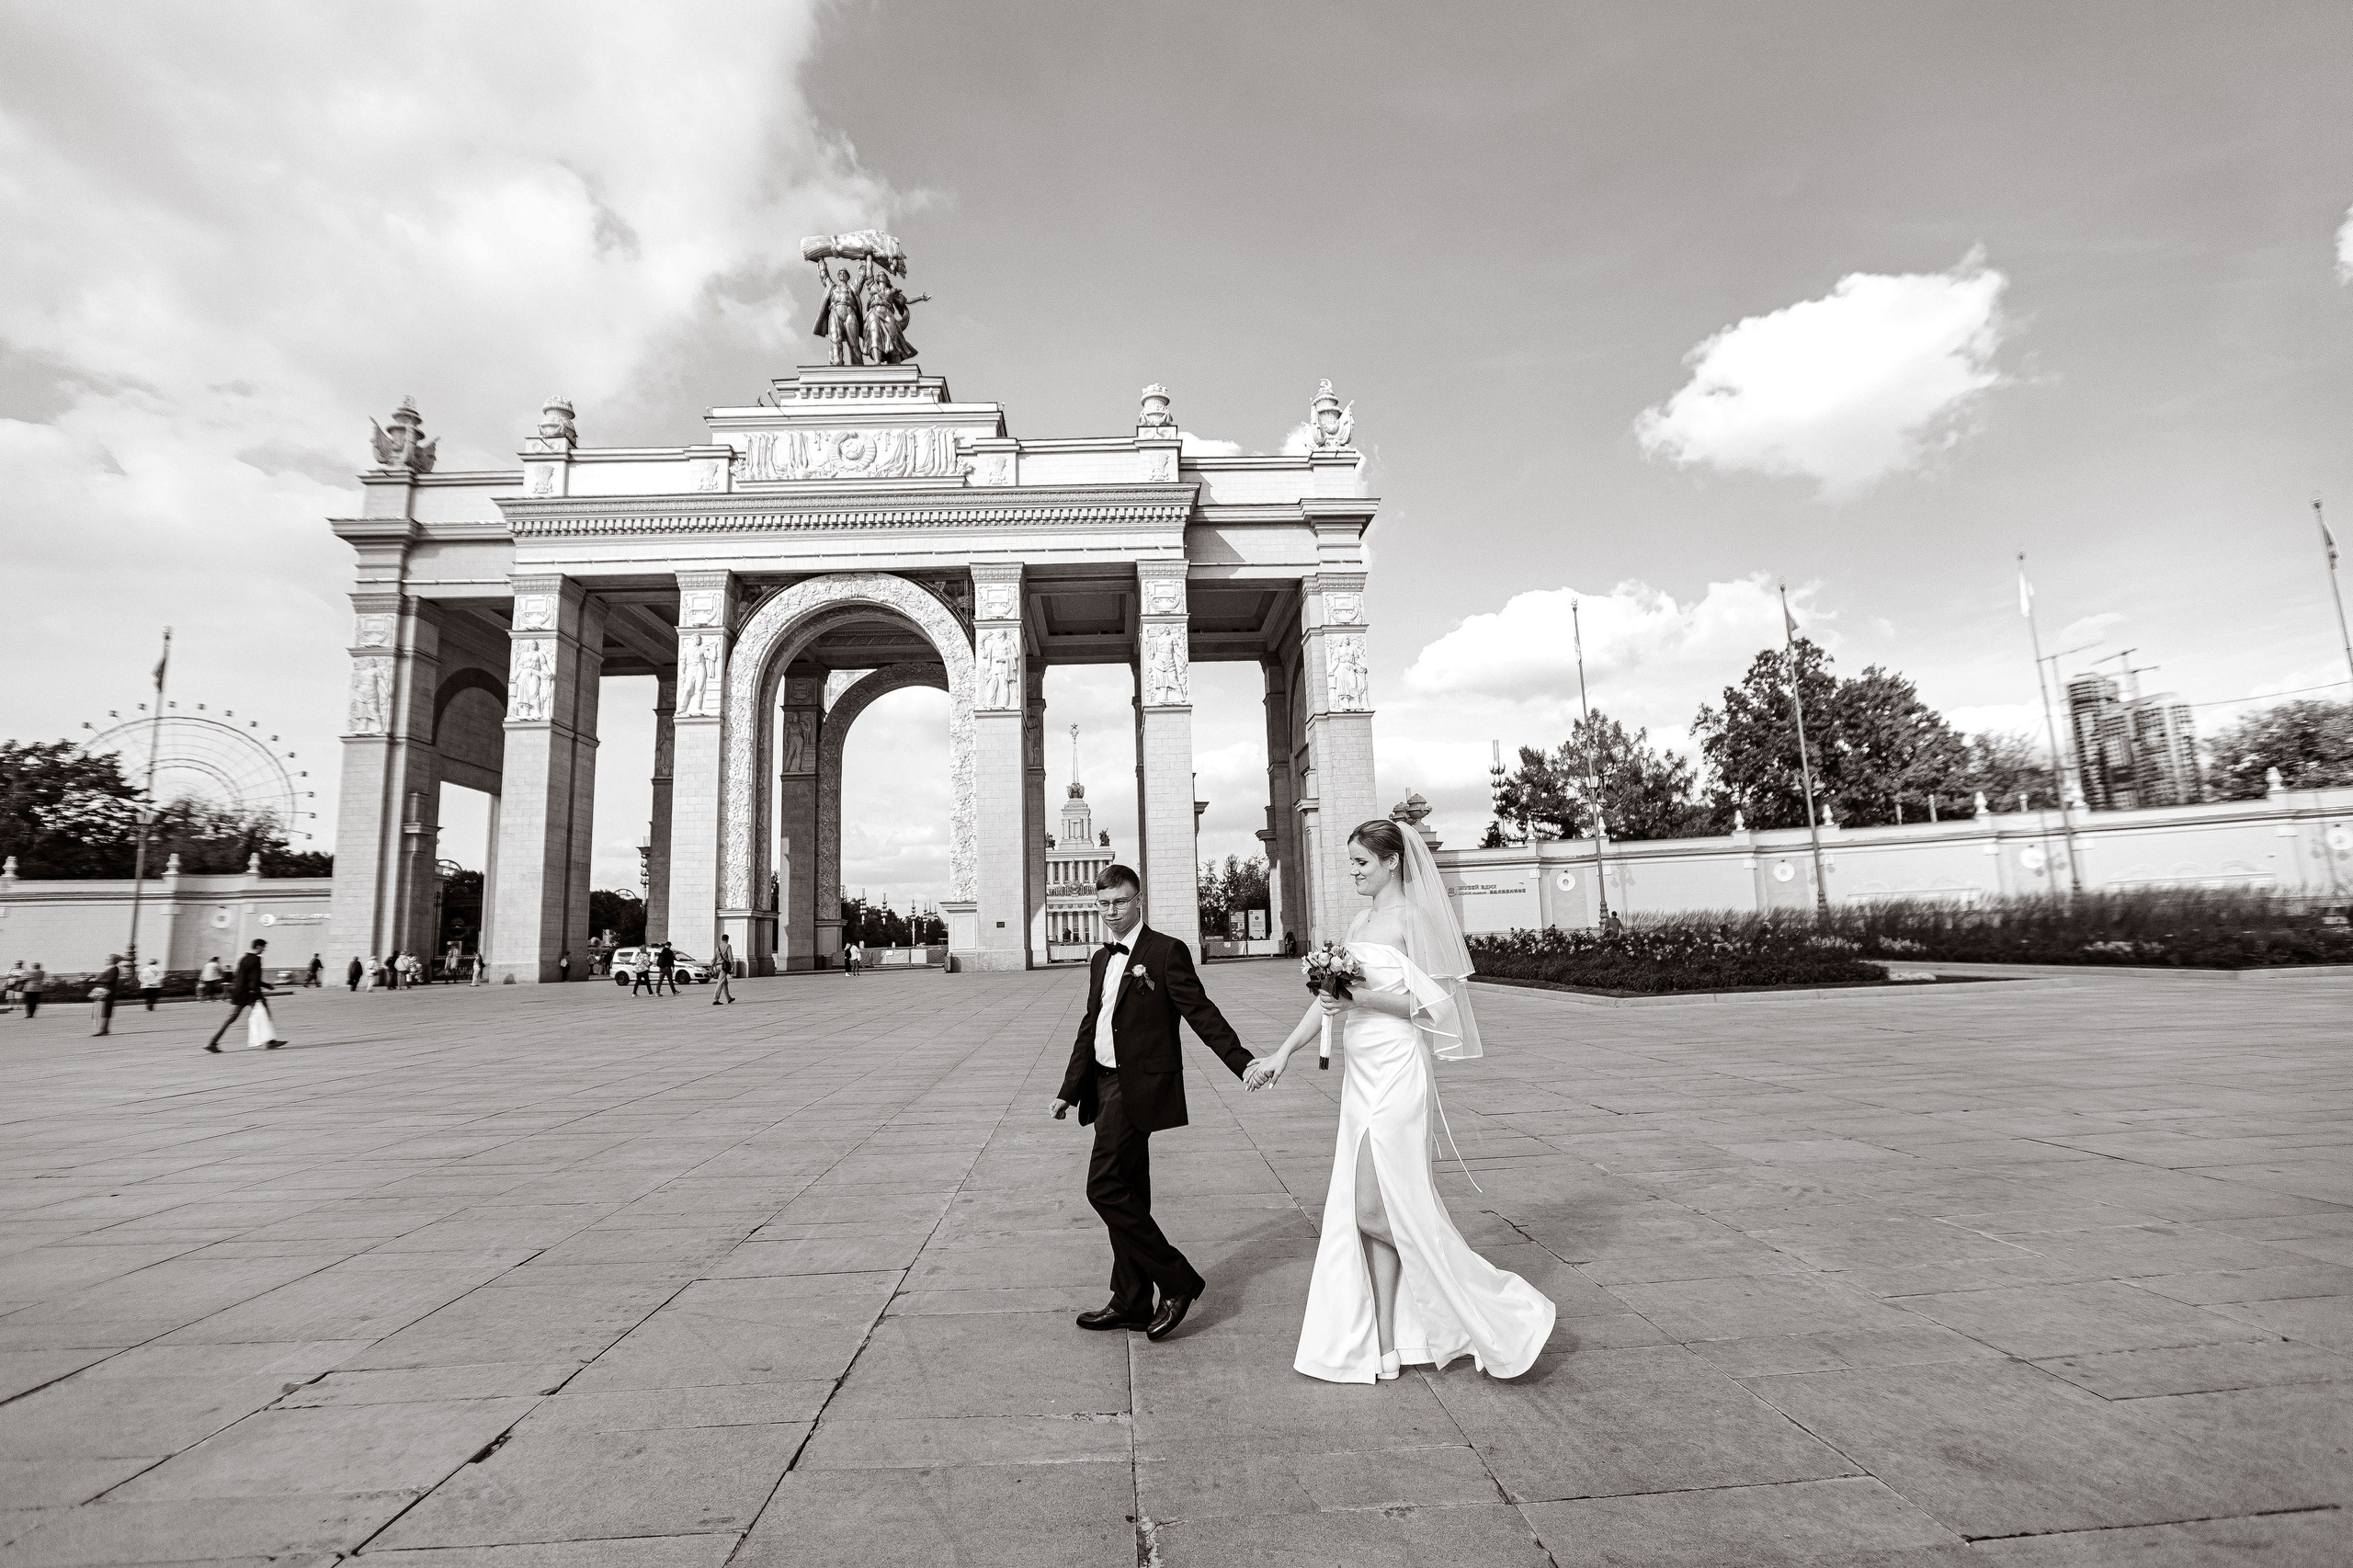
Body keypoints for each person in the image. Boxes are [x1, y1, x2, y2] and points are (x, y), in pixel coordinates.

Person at [1245, 819, 1555, 1385]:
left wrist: (1360, 998)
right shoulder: (1359, 922)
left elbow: (1436, 1009)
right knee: (1373, 1209)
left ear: (1391, 862)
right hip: (1359, 1075)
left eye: (1361, 862)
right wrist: (1283, 1052)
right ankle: (1386, 1345)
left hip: (1398, 1072)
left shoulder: (1414, 919)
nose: (1353, 872)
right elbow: (1329, 999)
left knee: (1370, 1210)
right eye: (1351, 862)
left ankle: (1482, 1299)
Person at [1051, 864, 1254, 1343]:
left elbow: (1200, 1012)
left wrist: (1242, 1062)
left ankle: (1178, 1280)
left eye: (1119, 902)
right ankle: (1131, 1300)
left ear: (1138, 899)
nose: (1111, 912)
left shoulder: (1164, 951)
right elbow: (1091, 1025)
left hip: (1137, 1086)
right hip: (1103, 1085)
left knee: (1103, 1187)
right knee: (1129, 1192)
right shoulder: (1101, 959)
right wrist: (1069, 1088)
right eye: (1103, 904)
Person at [205, 939, 286, 1052]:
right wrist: (258, 991)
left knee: (231, 1018)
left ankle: (213, 1042)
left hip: (240, 993)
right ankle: (271, 1042)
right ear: (258, 947)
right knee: (265, 1014)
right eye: (263, 947)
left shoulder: (244, 959)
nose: (264, 950)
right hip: (251, 995)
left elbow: (240, 977)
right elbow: (254, 979)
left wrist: (266, 986)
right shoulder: (256, 960)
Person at [91, 953, 125, 1036]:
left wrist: (96, 980)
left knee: (105, 1010)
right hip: (105, 991)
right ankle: (103, 1029)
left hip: (108, 992)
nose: (106, 960)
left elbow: (110, 980)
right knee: (103, 1010)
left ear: (112, 960)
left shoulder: (114, 969)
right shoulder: (110, 969)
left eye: (107, 959)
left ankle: (102, 1029)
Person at [711, 935, 735, 1005]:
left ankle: (728, 998)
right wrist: (732, 966)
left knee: (725, 982)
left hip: (717, 966)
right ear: (727, 939)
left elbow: (714, 958)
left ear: (721, 939)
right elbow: (730, 957)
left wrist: (711, 967)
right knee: (720, 982)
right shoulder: (728, 946)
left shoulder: (717, 947)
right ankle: (716, 999)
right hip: (724, 967)